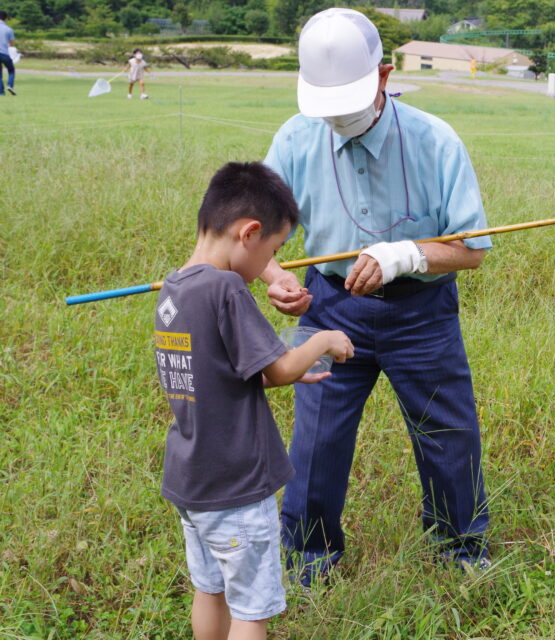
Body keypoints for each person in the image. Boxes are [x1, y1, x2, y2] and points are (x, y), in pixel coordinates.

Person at [261, 8, 492, 586]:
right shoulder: (294, 138)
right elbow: (254, 235)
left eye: (349, 102)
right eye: (327, 106)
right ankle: (309, 558)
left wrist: (409, 254)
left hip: (422, 313)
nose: (337, 118)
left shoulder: (436, 141)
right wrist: (275, 278)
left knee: (447, 432)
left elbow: (474, 248)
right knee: (317, 439)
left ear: (384, 77)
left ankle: (460, 550)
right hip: (329, 306)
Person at [154, 161, 354, 639]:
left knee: (211, 589)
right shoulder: (226, 289)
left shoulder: (174, 289)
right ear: (250, 233)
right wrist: (323, 341)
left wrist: (291, 369)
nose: (272, 261)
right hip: (238, 486)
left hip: (192, 482)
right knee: (250, 608)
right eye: (275, 248)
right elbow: (281, 367)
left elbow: (216, 374)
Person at [0, 11, 16, 96]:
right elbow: (12, 44)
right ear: (5, 18)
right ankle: (10, 85)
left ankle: (1, 92)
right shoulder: (9, 29)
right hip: (4, 53)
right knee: (11, 70)